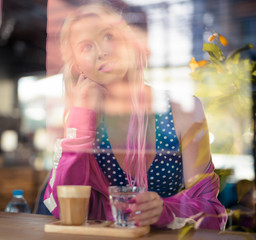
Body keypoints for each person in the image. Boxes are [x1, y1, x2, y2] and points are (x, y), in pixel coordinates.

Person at [43, 2, 227, 230]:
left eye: (108, 36)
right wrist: (81, 116)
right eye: (86, 47)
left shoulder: (185, 110)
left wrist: (166, 211)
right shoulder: (80, 118)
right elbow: (63, 208)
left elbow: (211, 211)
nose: (102, 51)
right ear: (79, 66)